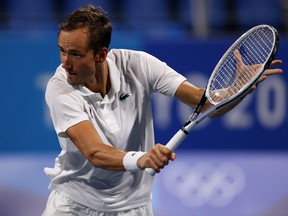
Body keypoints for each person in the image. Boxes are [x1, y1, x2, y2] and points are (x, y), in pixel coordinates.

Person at [42, 4, 282, 216]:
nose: (65, 62)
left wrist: (238, 89)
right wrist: (142, 159)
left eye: (75, 54)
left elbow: (206, 104)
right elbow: (94, 153)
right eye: (62, 50)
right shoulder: (60, 88)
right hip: (73, 205)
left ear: (101, 55)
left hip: (131, 207)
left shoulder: (139, 65)